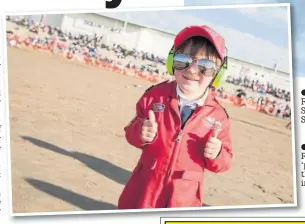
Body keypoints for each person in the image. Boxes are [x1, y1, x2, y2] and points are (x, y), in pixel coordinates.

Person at [118, 25, 233, 209]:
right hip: (143, 193)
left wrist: (217, 153)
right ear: (172, 62)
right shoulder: (154, 95)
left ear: (218, 74)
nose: (193, 70)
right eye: (183, 60)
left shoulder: (218, 116)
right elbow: (130, 132)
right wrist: (140, 131)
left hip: (182, 200)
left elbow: (225, 162)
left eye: (206, 66)